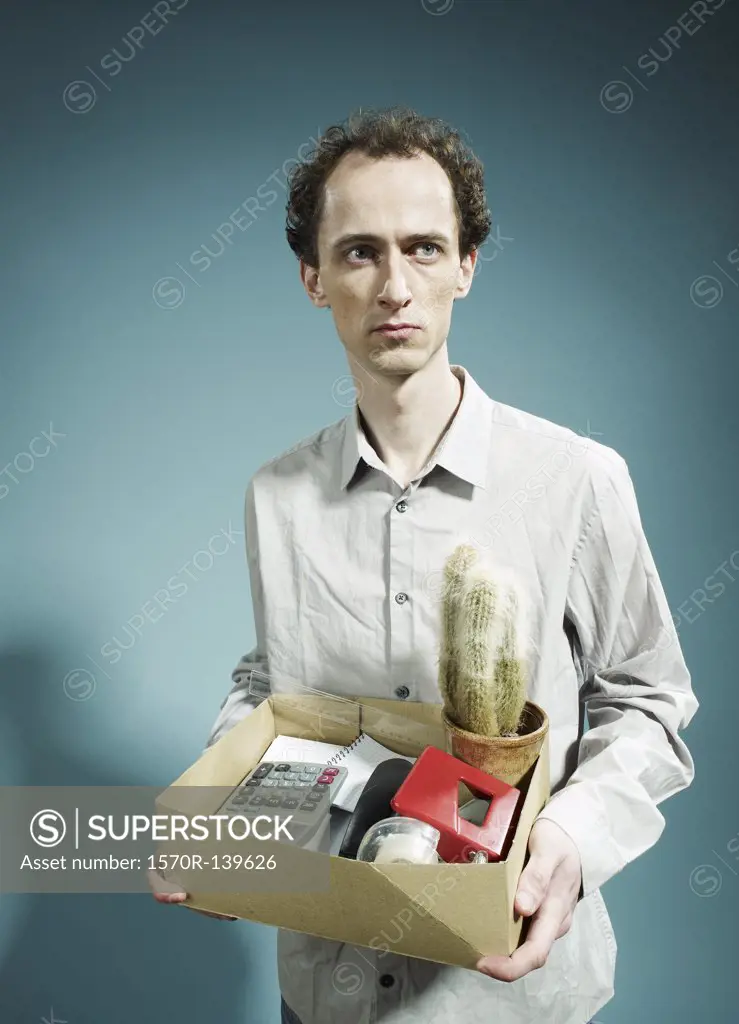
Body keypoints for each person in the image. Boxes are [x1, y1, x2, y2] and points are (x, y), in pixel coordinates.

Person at [149, 106, 698, 1024]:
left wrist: (570, 835)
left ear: (467, 267)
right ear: (313, 279)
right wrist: (212, 800)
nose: (395, 285)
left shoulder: (577, 480)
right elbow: (274, 683)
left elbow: (649, 704)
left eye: (426, 249)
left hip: (507, 995)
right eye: (360, 251)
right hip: (328, 989)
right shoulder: (275, 493)